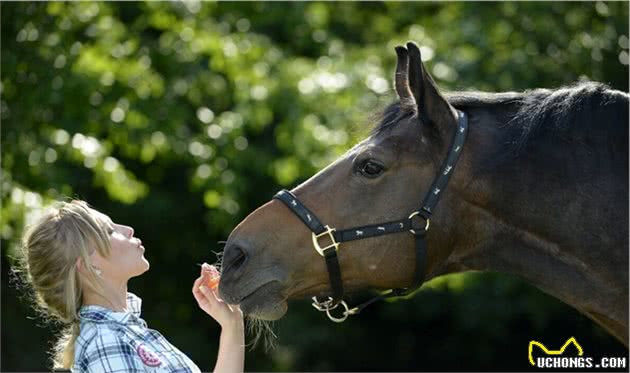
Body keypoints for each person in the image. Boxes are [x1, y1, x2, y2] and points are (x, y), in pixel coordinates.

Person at [18, 199, 244, 372]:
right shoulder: (107, 344)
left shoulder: (127, 334)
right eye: (109, 231)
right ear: (88, 265)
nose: (127, 229)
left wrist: (232, 325)